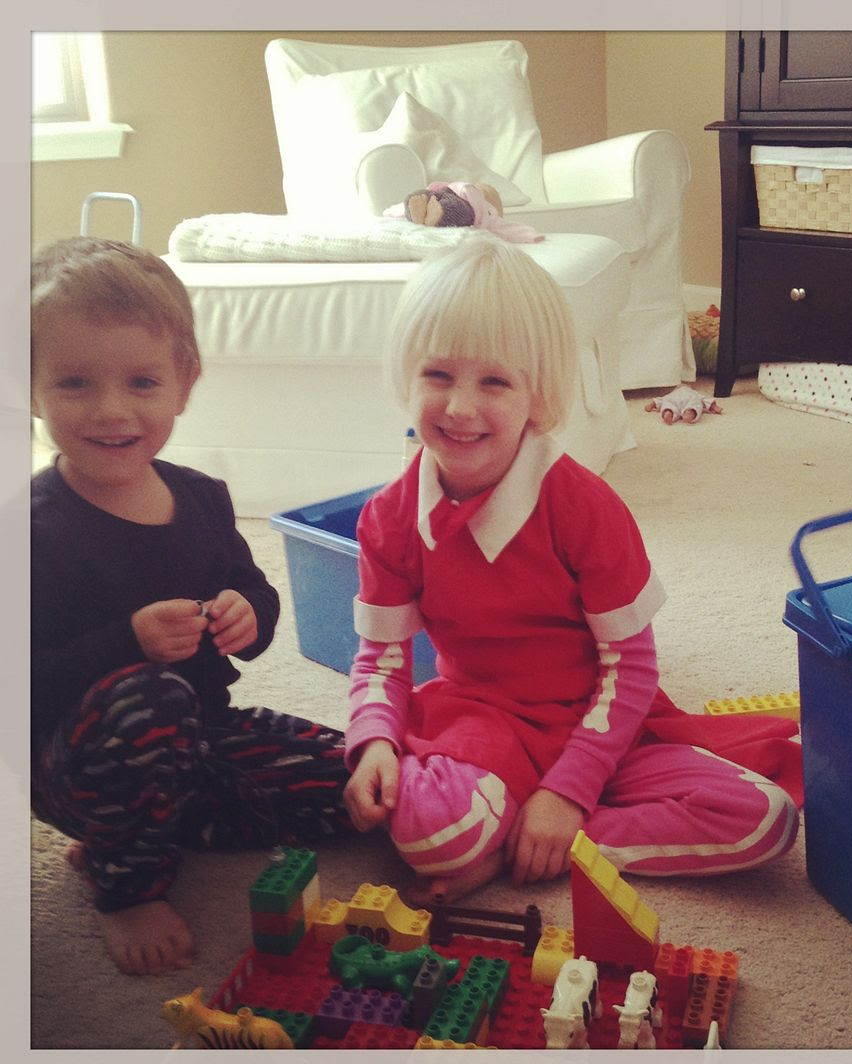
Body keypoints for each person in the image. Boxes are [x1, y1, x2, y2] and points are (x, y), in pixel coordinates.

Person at [343, 233, 803, 903]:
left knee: (764, 819)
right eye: (437, 375)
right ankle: (515, 831)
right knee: (428, 832)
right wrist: (374, 743)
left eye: (494, 381)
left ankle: (536, 842)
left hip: (605, 724)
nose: (460, 407)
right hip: (482, 720)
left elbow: (631, 667)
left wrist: (568, 794)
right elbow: (381, 660)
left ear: (537, 395)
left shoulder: (584, 506)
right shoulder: (388, 517)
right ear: (405, 377)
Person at [30, 237, 354, 976]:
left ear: (184, 384)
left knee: (357, 777)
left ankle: (164, 825)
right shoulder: (34, 531)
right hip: (83, 765)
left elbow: (256, 596)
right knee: (150, 701)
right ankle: (125, 881)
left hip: (205, 739)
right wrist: (129, 641)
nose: (112, 410)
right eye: (75, 383)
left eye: (142, 382)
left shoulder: (202, 499)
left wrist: (248, 613)